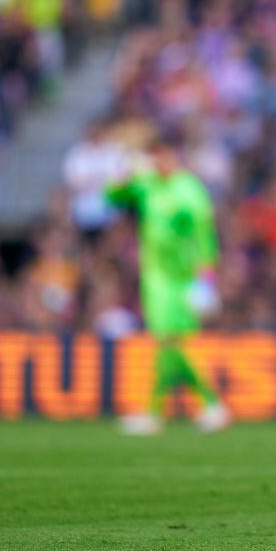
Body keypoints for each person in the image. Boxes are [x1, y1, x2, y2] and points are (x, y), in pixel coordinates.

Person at [107, 138, 229, 434]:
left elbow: (204, 234)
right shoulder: (147, 184)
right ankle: (205, 405)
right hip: (155, 278)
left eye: (161, 156)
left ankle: (170, 409)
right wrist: (124, 175)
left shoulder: (189, 189)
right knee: (169, 342)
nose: (157, 162)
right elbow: (112, 198)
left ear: (172, 156)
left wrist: (206, 277)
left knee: (169, 342)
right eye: (153, 157)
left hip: (182, 279)